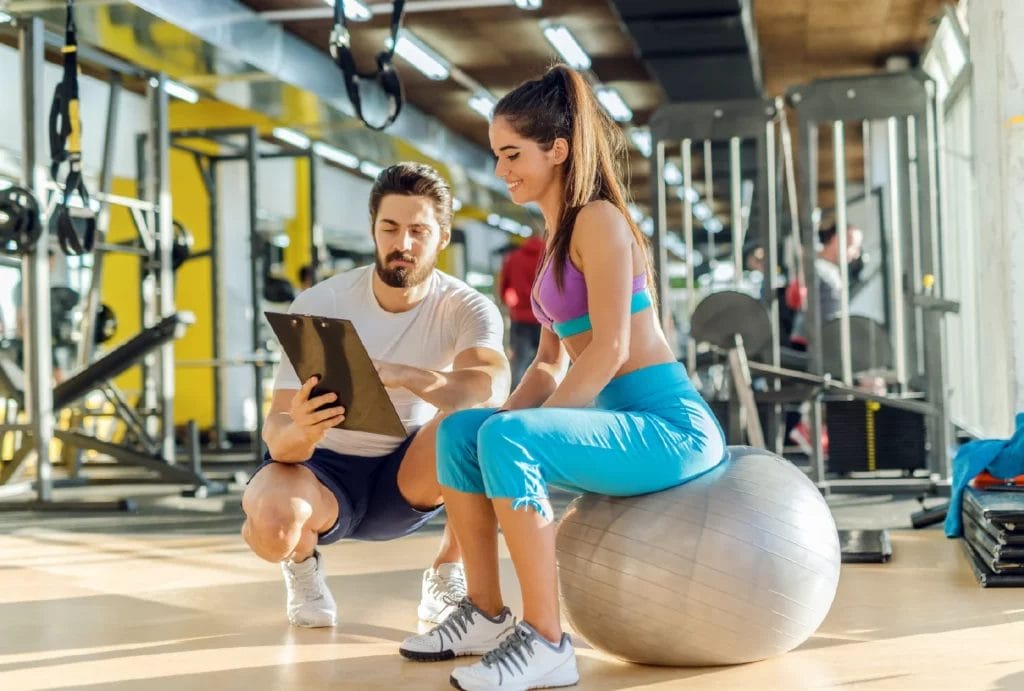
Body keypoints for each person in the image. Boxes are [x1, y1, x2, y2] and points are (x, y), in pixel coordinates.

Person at [398, 66, 726, 689]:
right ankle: (487, 614)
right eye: (498, 155)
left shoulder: (599, 220)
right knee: (462, 431)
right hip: (616, 417)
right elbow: (549, 363)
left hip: (669, 427)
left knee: (506, 438)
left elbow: (608, 349)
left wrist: (524, 429)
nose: (502, 170)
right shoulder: (554, 239)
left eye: (512, 154)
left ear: (558, 149)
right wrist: (502, 420)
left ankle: (547, 642)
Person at [242, 162, 509, 630]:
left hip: (409, 475)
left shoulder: (465, 306)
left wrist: (405, 375)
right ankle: (302, 566)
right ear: (373, 230)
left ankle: (448, 568)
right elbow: (277, 436)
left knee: (477, 424)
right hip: (323, 473)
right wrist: (303, 430)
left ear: (442, 238)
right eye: (389, 228)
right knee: (270, 528)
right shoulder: (321, 304)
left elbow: (489, 385)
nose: (401, 244)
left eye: (417, 231)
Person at [496, 231, 544, 387]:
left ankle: (516, 398)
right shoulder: (549, 256)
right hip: (545, 318)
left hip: (520, 317)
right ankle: (544, 397)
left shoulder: (514, 258)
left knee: (519, 360)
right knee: (547, 360)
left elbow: (503, 287)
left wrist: (510, 304)